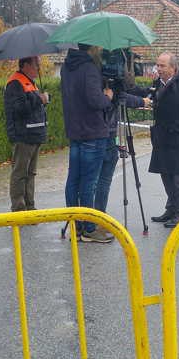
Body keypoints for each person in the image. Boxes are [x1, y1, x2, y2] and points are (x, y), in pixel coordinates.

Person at [60, 43, 115, 243]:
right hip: (92, 131)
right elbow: (95, 101)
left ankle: (75, 224)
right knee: (89, 182)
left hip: (75, 131)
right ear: (92, 47)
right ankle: (89, 228)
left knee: (73, 179)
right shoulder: (89, 68)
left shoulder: (66, 67)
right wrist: (107, 97)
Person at [141, 52, 179, 228]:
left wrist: (177, 127)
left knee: (178, 175)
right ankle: (171, 208)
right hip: (159, 135)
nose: (158, 69)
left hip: (176, 136)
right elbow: (150, 98)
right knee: (165, 173)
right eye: (157, 65)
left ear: (173, 67)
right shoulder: (157, 84)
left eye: (162, 66)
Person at [94, 83, 148, 216]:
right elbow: (122, 96)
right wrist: (142, 101)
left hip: (92, 134)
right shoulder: (108, 86)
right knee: (102, 179)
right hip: (106, 133)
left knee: (91, 180)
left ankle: (85, 216)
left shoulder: (89, 79)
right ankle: (97, 215)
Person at [4, 56, 48, 212]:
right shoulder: (15, 83)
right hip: (23, 136)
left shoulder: (29, 82)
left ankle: (30, 206)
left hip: (34, 134)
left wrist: (42, 99)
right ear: (26, 65)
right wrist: (39, 100)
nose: (38, 68)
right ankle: (18, 209)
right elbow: (19, 108)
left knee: (30, 174)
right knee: (20, 173)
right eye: (36, 64)